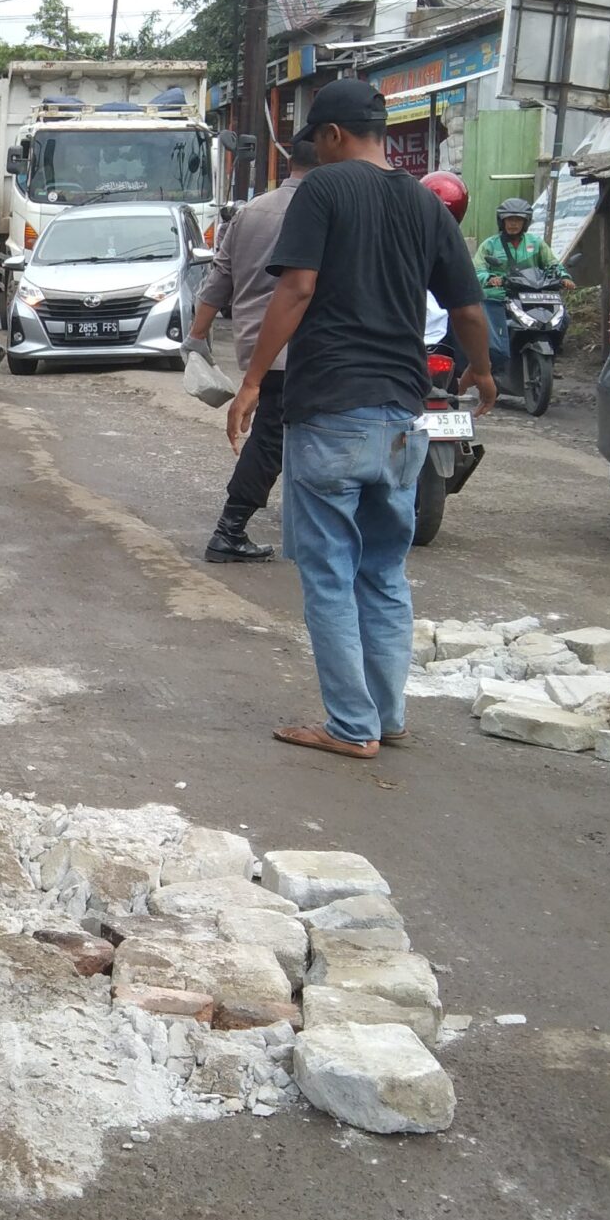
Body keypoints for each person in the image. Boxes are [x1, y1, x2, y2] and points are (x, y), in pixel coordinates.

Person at [226, 79, 494, 760]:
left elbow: (298, 285)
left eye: (316, 140)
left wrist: (254, 378)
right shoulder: (425, 205)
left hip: (332, 410)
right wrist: (483, 370)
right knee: (383, 571)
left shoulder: (323, 190)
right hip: (404, 417)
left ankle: (351, 725)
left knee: (329, 571)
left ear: (336, 135)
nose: (314, 152)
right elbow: (465, 307)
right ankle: (389, 714)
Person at [187, 134, 316, 564]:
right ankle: (229, 529)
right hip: (303, 344)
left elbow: (218, 277)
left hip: (258, 344)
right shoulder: (324, 208)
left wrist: (197, 336)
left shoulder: (253, 211)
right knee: (274, 438)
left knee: (283, 435)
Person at [475, 197, 567, 369]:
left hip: (532, 295)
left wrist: (564, 277)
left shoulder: (536, 243)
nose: (513, 224)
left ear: (526, 222)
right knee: (494, 339)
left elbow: (552, 263)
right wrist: (489, 279)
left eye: (518, 220)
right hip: (500, 296)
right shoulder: (490, 245)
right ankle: (494, 365)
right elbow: (478, 270)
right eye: (510, 219)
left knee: (564, 317)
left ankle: (552, 355)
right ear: (502, 221)